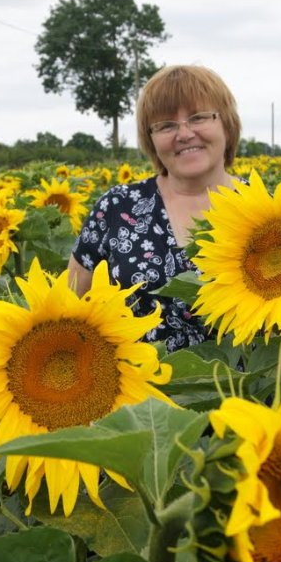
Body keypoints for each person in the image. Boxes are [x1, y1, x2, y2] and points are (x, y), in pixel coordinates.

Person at [66, 65, 243, 353]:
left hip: (246, 394)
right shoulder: (117, 208)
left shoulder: (266, 211)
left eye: (198, 118)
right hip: (134, 391)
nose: (184, 134)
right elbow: (69, 306)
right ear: (151, 139)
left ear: (227, 124)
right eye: (166, 125)